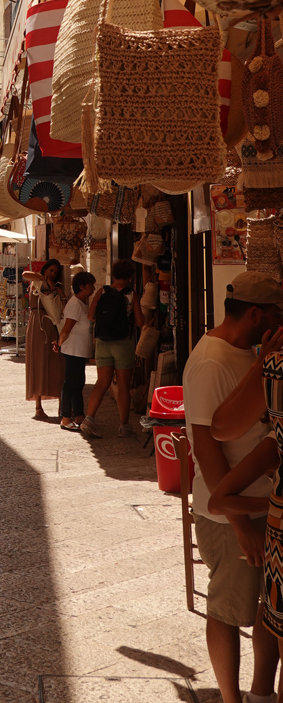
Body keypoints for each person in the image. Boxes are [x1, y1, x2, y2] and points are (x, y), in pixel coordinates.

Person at [183, 272, 283, 703]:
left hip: (260, 502)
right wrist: (238, 521)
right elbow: (206, 448)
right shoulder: (211, 360)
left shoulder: (249, 351)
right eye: (278, 315)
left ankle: (260, 693)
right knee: (229, 609)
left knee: (268, 607)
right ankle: (229, 698)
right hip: (228, 513)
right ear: (257, 314)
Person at [79, 258, 144, 439]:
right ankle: (124, 425)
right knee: (123, 386)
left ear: (114, 275)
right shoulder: (132, 295)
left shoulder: (102, 291)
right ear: (130, 277)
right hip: (124, 343)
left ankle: (89, 419)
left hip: (103, 343)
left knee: (101, 383)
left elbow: (91, 316)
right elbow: (140, 322)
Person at [23, 259, 66, 420]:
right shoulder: (37, 279)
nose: (53, 274)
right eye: (51, 270)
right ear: (45, 269)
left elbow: (62, 306)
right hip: (37, 322)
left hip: (52, 323)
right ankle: (38, 406)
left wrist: (59, 292)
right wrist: (43, 278)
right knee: (38, 362)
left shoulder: (58, 286)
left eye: (55, 272)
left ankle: (62, 406)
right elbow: (25, 274)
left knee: (58, 363)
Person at [54, 270, 96, 431]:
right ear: (81, 287)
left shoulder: (84, 303)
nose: (93, 288)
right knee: (71, 383)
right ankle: (65, 417)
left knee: (79, 383)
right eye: (90, 285)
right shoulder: (75, 304)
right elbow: (66, 329)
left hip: (80, 350)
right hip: (72, 350)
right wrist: (59, 344)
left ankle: (79, 415)